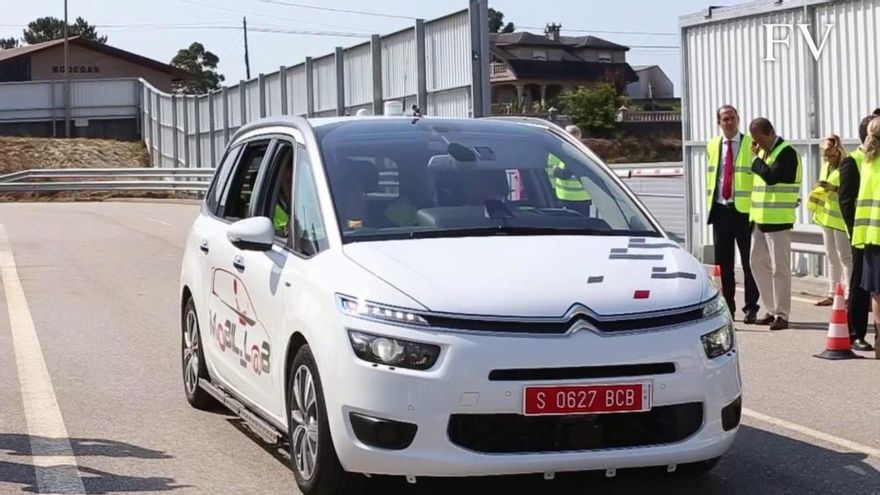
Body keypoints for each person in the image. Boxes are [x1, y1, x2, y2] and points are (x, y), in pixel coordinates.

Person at [706, 105, 760, 322]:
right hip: (720, 209)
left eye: (732, 118)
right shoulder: (713, 145)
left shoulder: (750, 144)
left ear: (738, 119)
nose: (729, 122)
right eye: (724, 119)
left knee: (749, 262)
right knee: (723, 264)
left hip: (744, 212)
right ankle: (728, 306)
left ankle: (751, 307)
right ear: (719, 122)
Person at [748, 118, 802, 330]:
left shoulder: (787, 153)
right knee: (756, 262)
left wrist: (755, 159)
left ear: (770, 133)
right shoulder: (763, 153)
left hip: (779, 220)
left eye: (760, 138)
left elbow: (772, 177)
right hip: (760, 219)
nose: (757, 144)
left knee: (780, 268)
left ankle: (782, 314)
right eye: (755, 140)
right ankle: (771, 309)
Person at [839, 109, 880, 351]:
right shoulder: (854, 161)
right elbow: (846, 201)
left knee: (873, 289)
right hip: (861, 233)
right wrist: (855, 232)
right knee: (860, 287)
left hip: (870, 232)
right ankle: (855, 332)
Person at [811, 135, 853, 307]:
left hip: (840, 218)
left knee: (845, 257)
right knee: (831, 257)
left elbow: (849, 189)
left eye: (831, 155)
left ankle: (850, 295)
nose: (828, 158)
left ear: (838, 150)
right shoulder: (826, 166)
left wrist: (833, 188)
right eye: (825, 155)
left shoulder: (847, 165)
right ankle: (833, 293)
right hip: (826, 216)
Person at [546, 125, 592, 215]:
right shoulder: (585, 151)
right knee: (583, 224)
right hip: (581, 196)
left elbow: (552, 172)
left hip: (565, 195)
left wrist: (554, 189)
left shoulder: (557, 149)